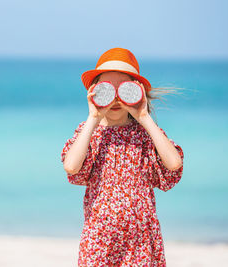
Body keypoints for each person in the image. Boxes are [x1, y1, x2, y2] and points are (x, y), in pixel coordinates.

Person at [60, 47, 184, 266]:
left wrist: (144, 116)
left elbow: (173, 164)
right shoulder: (90, 133)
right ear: (93, 91)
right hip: (99, 240)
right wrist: (93, 117)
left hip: (141, 242)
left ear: (138, 92)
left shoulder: (145, 135)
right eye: (107, 89)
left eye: (124, 89)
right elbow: (71, 166)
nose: (116, 97)